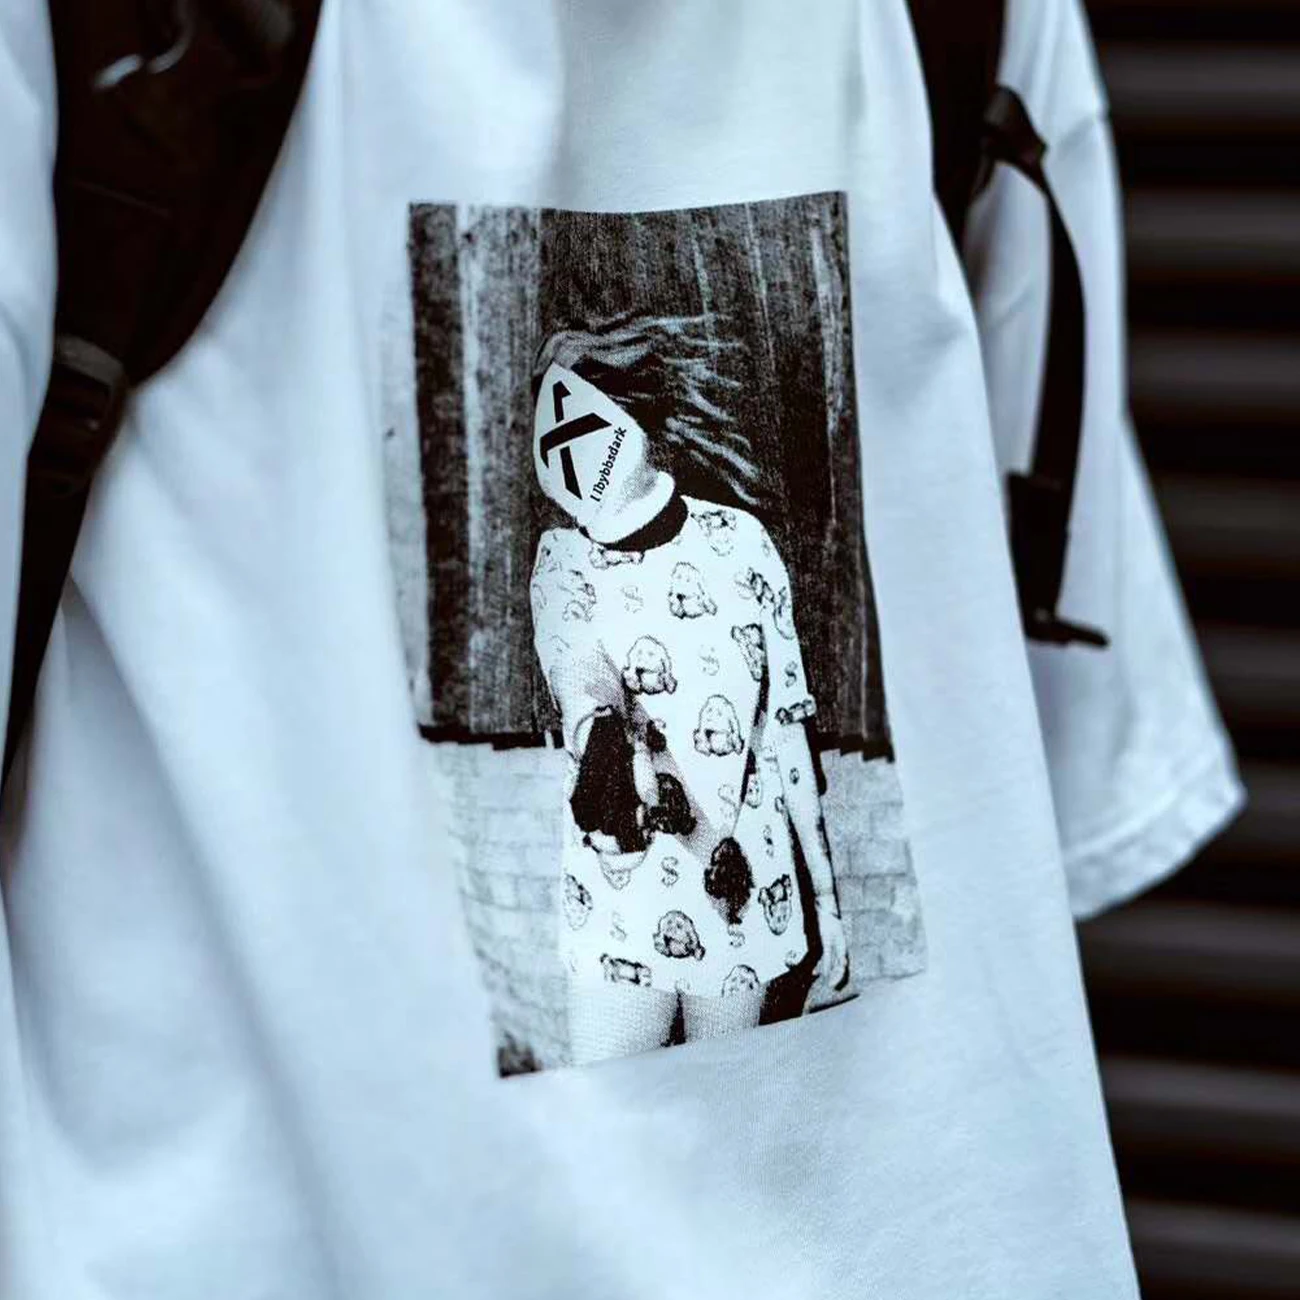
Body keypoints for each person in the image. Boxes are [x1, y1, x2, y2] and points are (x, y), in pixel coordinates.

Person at [0, 2, 1242, 1298]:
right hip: (596, 931)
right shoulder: (558, 569)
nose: (564, 455)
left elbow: (951, 775)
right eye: (548, 437)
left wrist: (811, 902)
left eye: (586, 424)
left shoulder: (971, 34)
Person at [526, 319, 848, 1062]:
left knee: (729, 1114)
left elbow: (786, 727)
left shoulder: (740, 542)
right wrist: (609, 748)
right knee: (611, 1110)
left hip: (745, 888)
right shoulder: (563, 560)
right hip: (620, 889)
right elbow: (582, 686)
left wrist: (827, 904)